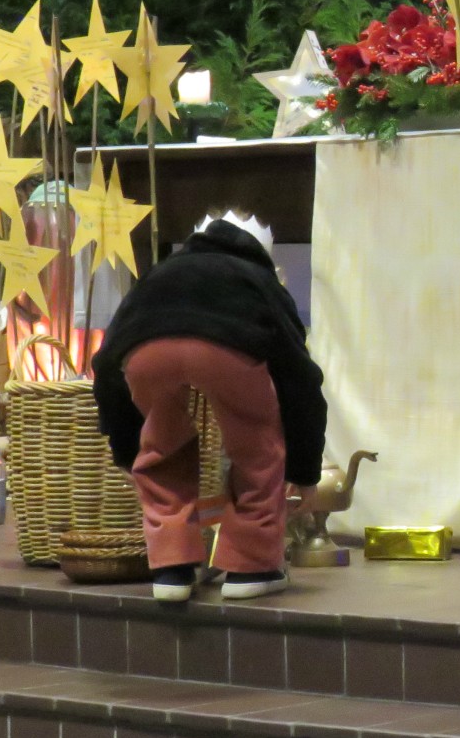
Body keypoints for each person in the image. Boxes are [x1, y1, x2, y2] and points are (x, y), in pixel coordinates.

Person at [93, 213, 327, 604]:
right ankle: (252, 568)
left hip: (147, 350)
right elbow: (299, 378)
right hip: (227, 348)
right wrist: (305, 470)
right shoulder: (260, 280)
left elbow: (106, 363)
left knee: (161, 447)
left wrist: (126, 447)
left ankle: (171, 568)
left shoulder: (160, 274)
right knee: (255, 446)